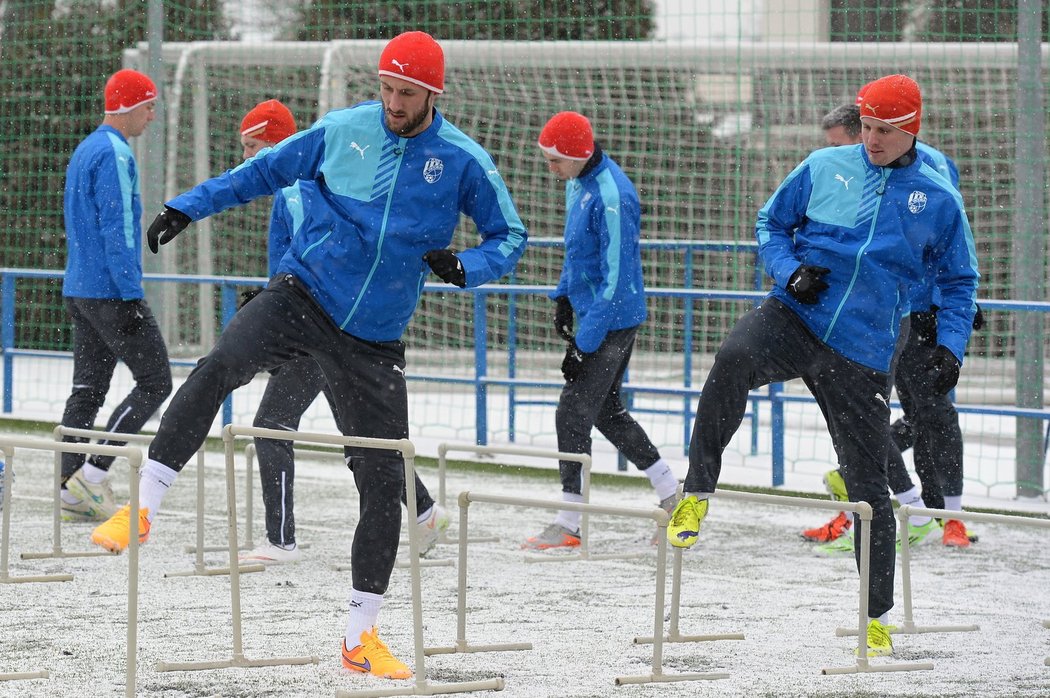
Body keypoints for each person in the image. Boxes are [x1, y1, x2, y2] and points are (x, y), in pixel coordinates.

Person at [89, 31, 527, 680]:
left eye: (407, 94)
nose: (393, 103)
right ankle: (145, 505)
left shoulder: (461, 161)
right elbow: (263, 169)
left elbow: (510, 236)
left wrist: (470, 266)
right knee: (217, 368)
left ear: (433, 94)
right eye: (385, 89)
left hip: (373, 339)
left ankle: (360, 637)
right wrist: (187, 206)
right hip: (304, 291)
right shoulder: (343, 129)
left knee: (382, 484)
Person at [666, 74, 979, 657]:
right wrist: (789, 272)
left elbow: (960, 280)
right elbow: (770, 223)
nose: (872, 139)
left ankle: (876, 619)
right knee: (731, 358)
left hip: (863, 349)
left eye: (885, 130)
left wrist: (949, 347)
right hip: (797, 315)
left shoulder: (938, 197)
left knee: (868, 488)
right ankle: (696, 492)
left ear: (911, 129)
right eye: (866, 126)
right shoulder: (821, 165)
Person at [232, 100, 450, 566]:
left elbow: (308, 260)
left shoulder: (294, 187)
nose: (247, 158)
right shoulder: (311, 184)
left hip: (315, 327)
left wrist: (281, 313)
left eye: (253, 147)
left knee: (271, 429)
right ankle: (426, 512)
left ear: (275, 145)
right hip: (333, 324)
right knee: (362, 439)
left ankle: (280, 540)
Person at [805, 98, 981, 550]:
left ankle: (946, 517)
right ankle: (872, 506)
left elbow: (950, 242)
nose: (856, 150)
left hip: (919, 311)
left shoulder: (930, 173)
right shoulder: (851, 170)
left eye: (842, 143)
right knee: (870, 408)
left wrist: (952, 305)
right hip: (874, 311)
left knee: (929, 411)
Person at [522, 112, 679, 550]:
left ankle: (570, 522)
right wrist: (563, 295)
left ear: (577, 155)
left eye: (555, 161)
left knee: (571, 412)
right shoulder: (579, 182)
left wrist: (584, 345)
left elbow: (615, 278)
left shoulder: (613, 195)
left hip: (613, 319)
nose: (550, 169)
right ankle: (670, 494)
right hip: (595, 312)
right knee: (605, 412)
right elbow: (577, 253)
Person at [58, 69, 173, 523]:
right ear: (130, 106)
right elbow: (118, 226)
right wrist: (130, 291)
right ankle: (94, 472)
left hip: (80, 287)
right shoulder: (116, 153)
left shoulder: (86, 148)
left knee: (87, 389)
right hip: (110, 291)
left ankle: (69, 487)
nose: (152, 115)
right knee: (156, 381)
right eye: (149, 105)